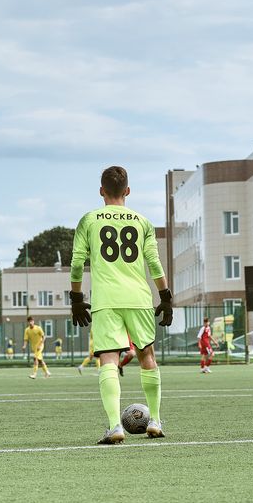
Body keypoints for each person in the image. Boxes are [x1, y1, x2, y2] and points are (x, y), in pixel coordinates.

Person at [70, 165, 172, 444]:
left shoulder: (89, 220)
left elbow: (77, 263)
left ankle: (115, 426)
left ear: (101, 191)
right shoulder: (143, 222)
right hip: (139, 297)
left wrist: (76, 298)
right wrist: (165, 296)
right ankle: (155, 420)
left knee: (109, 360)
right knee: (147, 355)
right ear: (127, 191)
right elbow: (154, 263)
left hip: (106, 300)